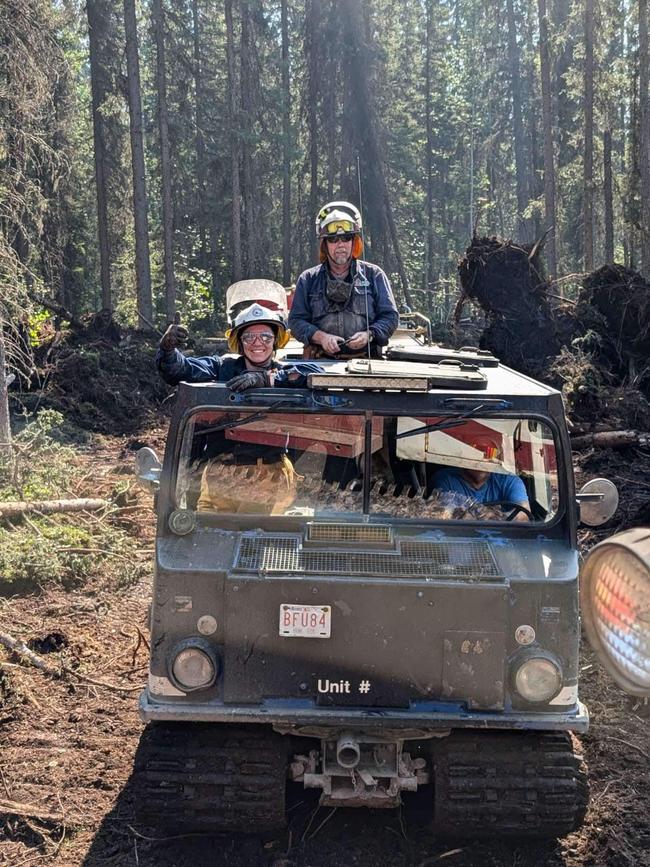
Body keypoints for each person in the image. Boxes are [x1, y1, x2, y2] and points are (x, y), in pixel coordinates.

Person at [288, 201, 399, 358]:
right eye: (333, 239)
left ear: (354, 242)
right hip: (320, 362)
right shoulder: (308, 279)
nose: (340, 245)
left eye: (346, 238)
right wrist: (322, 337)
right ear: (324, 245)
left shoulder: (374, 275)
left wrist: (369, 334)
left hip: (367, 362)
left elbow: (390, 317)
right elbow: (296, 321)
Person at [157, 303, 298, 391]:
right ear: (240, 343)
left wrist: (265, 379)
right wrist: (168, 350)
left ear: (275, 341)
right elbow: (180, 371)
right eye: (248, 337)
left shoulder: (286, 371)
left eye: (266, 336)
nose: (257, 342)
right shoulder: (222, 368)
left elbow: (313, 376)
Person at [431, 435, 531, 521]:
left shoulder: (509, 481)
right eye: (475, 453)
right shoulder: (445, 479)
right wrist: (487, 516)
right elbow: (443, 515)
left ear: (497, 459)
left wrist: (496, 517)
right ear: (464, 456)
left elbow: (524, 515)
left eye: (489, 453)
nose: (482, 460)